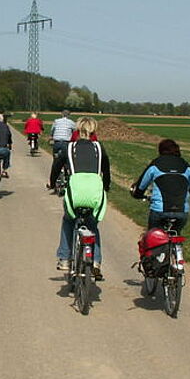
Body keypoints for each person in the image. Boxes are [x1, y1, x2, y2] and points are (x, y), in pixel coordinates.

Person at [48, 117, 110, 280]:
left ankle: (64, 259)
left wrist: (52, 182)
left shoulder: (70, 148)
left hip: (75, 191)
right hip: (95, 191)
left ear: (77, 130)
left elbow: (57, 165)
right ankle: (96, 262)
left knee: (68, 220)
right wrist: (107, 186)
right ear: (93, 131)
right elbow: (106, 169)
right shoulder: (99, 147)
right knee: (92, 225)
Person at [129, 139, 190, 231]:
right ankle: (176, 244)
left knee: (152, 237)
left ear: (160, 150)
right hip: (182, 211)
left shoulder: (156, 164)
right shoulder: (185, 165)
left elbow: (141, 185)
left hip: (159, 210)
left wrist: (138, 194)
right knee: (176, 234)